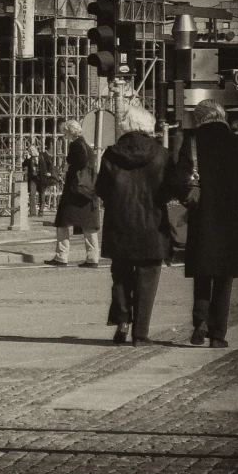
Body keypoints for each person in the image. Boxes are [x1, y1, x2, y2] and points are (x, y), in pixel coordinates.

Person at [175, 100, 238, 349]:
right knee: (225, 276)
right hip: (233, 219)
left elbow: (178, 178)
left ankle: (200, 321)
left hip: (203, 216)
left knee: (203, 272)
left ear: (199, 118)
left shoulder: (192, 142)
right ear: (221, 115)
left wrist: (189, 200)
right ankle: (218, 334)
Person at [94, 107, 173, 346]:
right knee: (148, 279)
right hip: (152, 224)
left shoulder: (111, 154)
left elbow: (101, 188)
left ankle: (122, 319)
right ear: (149, 127)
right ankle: (140, 333)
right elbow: (170, 188)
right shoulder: (162, 154)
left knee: (120, 275)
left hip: (120, 223)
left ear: (125, 127)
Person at [44, 119, 100, 268]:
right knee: (89, 225)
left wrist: (70, 166)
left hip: (75, 191)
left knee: (62, 223)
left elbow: (80, 162)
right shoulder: (86, 145)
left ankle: (61, 256)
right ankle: (93, 257)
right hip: (87, 191)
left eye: (65, 133)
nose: (64, 136)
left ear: (70, 132)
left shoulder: (76, 145)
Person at [21, 147, 39, 216]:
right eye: (30, 150)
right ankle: (33, 212)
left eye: (33, 150)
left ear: (36, 150)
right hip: (32, 179)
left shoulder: (41, 156)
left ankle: (41, 211)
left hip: (41, 178)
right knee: (32, 194)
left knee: (42, 195)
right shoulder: (30, 159)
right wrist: (27, 158)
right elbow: (24, 165)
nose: (31, 151)